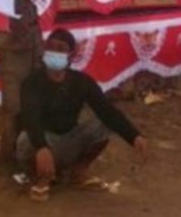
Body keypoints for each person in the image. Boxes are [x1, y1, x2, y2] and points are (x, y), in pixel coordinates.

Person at [17, 28, 148, 202]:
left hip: (70, 139)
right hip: (42, 141)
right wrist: (41, 147)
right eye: (51, 47)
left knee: (102, 125)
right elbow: (30, 117)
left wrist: (134, 136)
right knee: (25, 139)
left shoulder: (81, 82)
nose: (55, 52)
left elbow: (106, 110)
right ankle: (41, 180)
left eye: (61, 49)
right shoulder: (32, 82)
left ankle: (77, 173)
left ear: (71, 54)